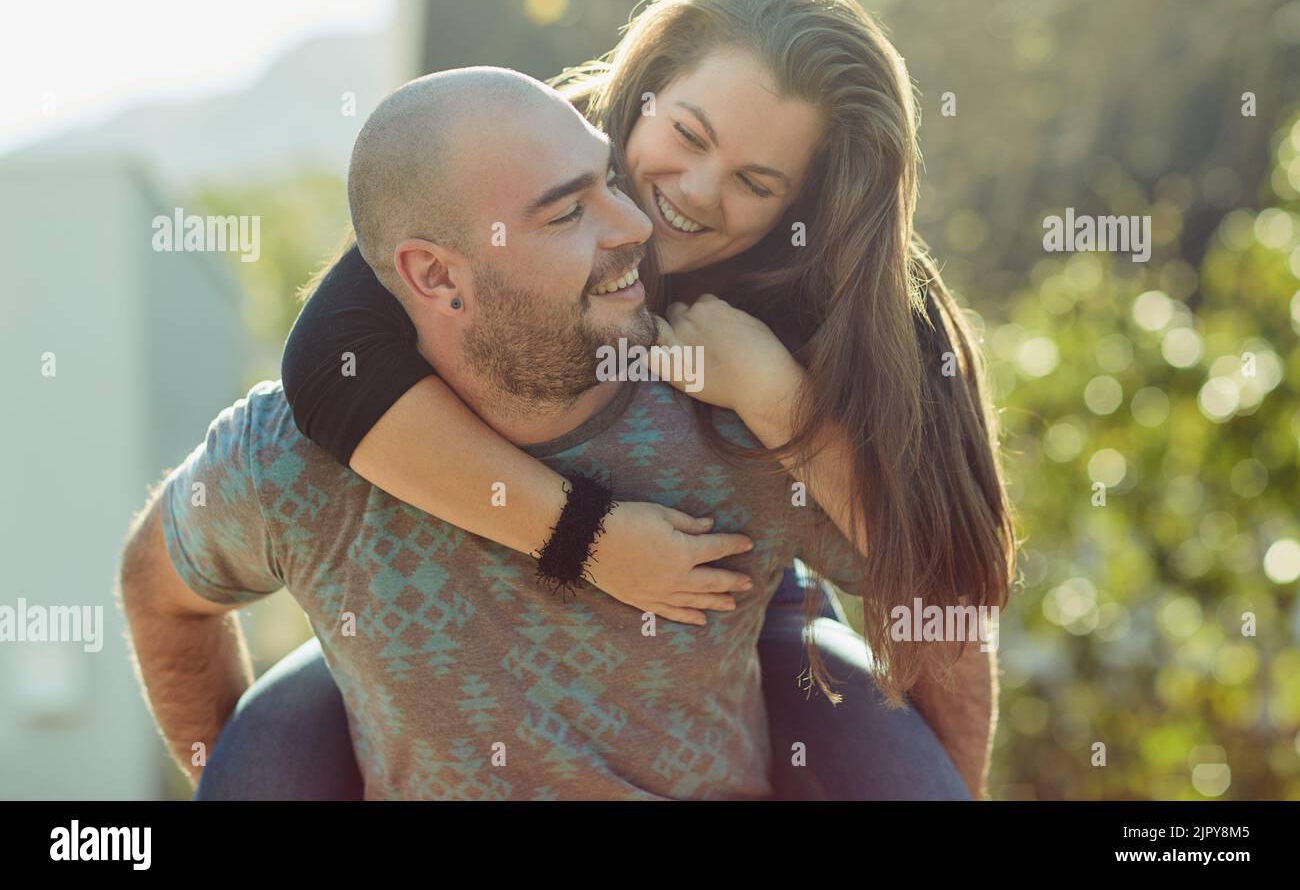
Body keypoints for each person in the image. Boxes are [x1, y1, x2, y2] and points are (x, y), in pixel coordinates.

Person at [120, 66, 970, 799]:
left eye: (610, 181)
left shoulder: (734, 406)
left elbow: (940, 595)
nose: (640, 225)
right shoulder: (293, 460)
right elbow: (157, 588)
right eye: (567, 214)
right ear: (436, 276)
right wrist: (232, 772)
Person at [277, 0, 1015, 795]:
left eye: (758, 183)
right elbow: (327, 365)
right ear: (644, 89)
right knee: (256, 757)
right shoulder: (544, 156)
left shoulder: (848, 284)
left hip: (736, 583)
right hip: (456, 574)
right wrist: (588, 540)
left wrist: (774, 395)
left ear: (806, 201)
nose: (694, 193)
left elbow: (949, 579)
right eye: (689, 138)